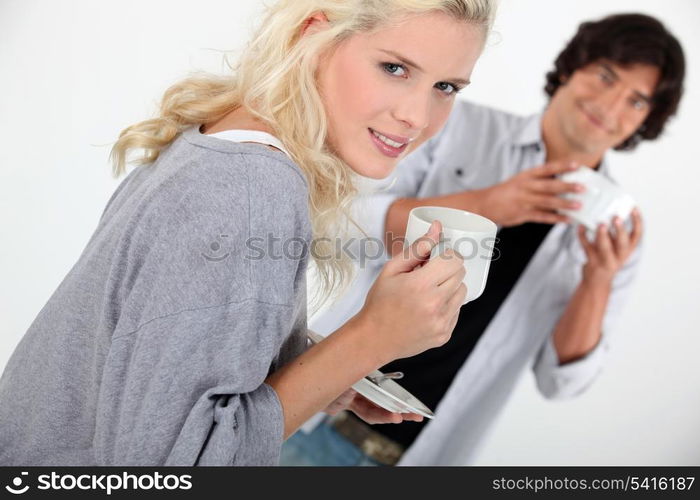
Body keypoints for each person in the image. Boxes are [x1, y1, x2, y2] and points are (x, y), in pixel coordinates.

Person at [0, 0, 497, 466]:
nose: (418, 116)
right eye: (394, 68)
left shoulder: (222, 139)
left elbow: (140, 350)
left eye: (446, 87)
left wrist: (318, 368)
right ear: (316, 36)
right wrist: (371, 338)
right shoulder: (255, 184)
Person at [280, 13, 686, 466]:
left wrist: (598, 278)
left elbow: (562, 382)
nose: (611, 107)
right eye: (605, 76)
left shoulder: (618, 230)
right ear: (572, 68)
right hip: (320, 413)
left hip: (422, 457)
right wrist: (489, 204)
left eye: (637, 100)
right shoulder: (450, 125)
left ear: (646, 120)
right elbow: (342, 226)